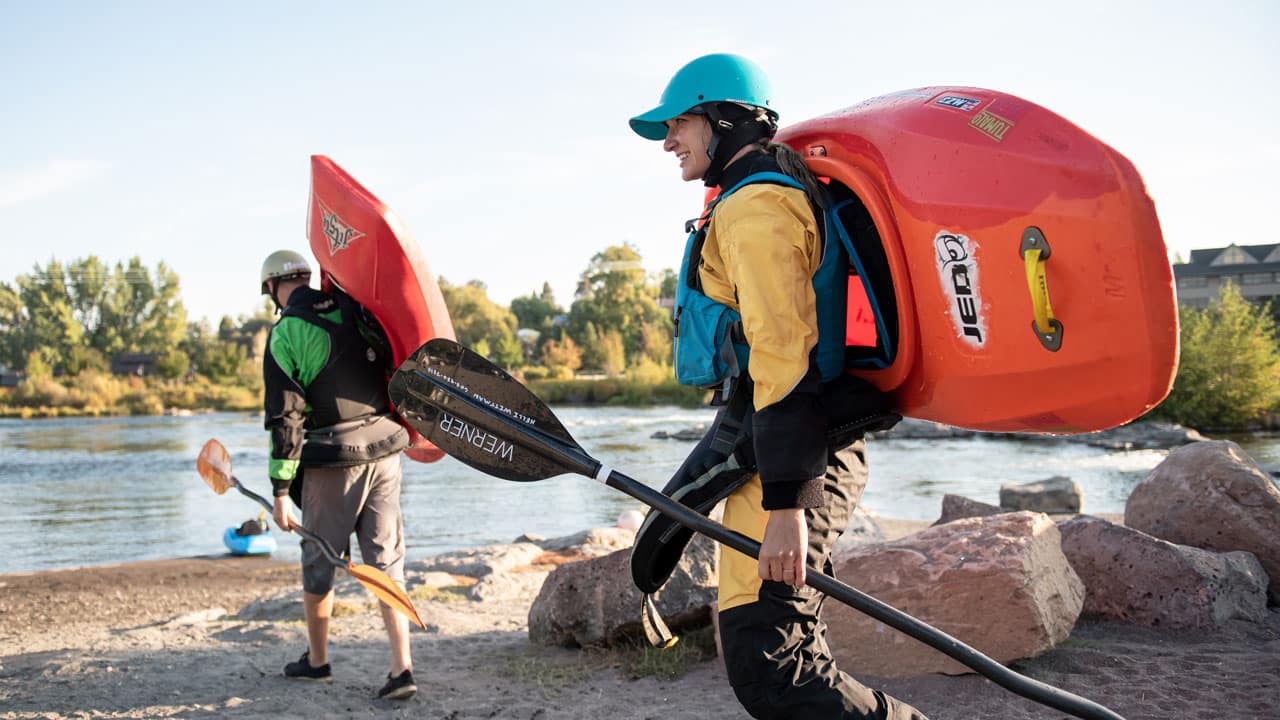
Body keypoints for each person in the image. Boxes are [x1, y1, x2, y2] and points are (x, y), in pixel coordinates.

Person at [629, 54, 927, 719]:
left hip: (794, 462)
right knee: (769, 669)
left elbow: (781, 355)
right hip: (772, 452)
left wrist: (790, 507)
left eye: (679, 124)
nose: (670, 142)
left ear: (726, 121)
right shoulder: (745, 198)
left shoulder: (759, 206)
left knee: (781, 671)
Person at [258, 249, 417, 701]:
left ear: (272, 288)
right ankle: (402, 668)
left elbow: (285, 419)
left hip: (334, 458)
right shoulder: (357, 311)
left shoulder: (286, 332)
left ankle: (318, 661)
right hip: (388, 448)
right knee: (386, 560)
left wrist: (281, 491)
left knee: (319, 560)